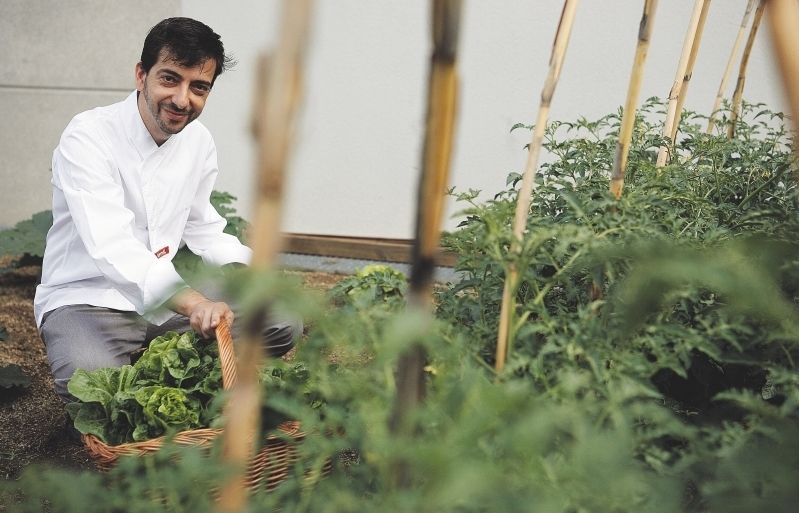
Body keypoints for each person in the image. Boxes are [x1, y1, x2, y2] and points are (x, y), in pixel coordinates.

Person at [34, 17, 299, 402]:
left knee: (280, 320)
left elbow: (203, 227)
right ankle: (151, 369)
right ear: (141, 74)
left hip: (167, 303)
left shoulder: (198, 141)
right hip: (89, 299)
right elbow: (113, 246)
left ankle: (163, 370)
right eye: (170, 79)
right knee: (93, 392)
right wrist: (195, 303)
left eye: (199, 88)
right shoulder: (88, 135)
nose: (182, 99)